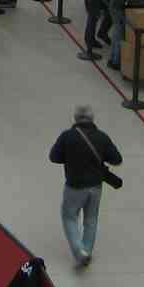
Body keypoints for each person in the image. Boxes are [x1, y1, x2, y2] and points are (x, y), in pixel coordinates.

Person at [49, 104, 122, 269]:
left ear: (75, 119)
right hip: (96, 186)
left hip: (74, 186)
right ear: (92, 119)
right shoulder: (102, 137)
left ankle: (79, 251)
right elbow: (117, 159)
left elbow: (53, 157)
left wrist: (70, 157)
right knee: (91, 218)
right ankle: (87, 251)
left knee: (69, 217)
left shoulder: (67, 136)